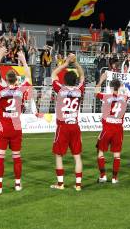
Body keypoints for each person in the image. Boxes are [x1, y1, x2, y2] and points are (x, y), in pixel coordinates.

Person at [0, 47, 32, 194]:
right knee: (16, 157)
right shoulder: (21, 90)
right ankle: (18, 184)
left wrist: (0, 56)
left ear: (6, 79)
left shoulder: (1, 89)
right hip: (16, 129)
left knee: (0, 157)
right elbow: (28, 77)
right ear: (16, 79)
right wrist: (23, 60)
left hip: (3, 128)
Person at [50, 53, 85, 191]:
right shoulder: (79, 90)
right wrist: (75, 62)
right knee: (77, 156)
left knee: (58, 155)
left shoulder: (60, 89)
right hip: (75, 126)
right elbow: (82, 76)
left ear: (64, 80)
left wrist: (66, 63)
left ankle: (60, 184)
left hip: (63, 127)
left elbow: (53, 74)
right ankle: (78, 185)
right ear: (75, 81)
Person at [94, 73, 128, 184]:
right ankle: (114, 178)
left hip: (107, 128)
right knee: (117, 154)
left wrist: (101, 80)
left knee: (100, 152)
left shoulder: (106, 97)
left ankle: (103, 176)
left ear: (111, 87)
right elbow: (122, 93)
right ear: (119, 87)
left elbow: (96, 93)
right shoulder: (125, 98)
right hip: (118, 129)